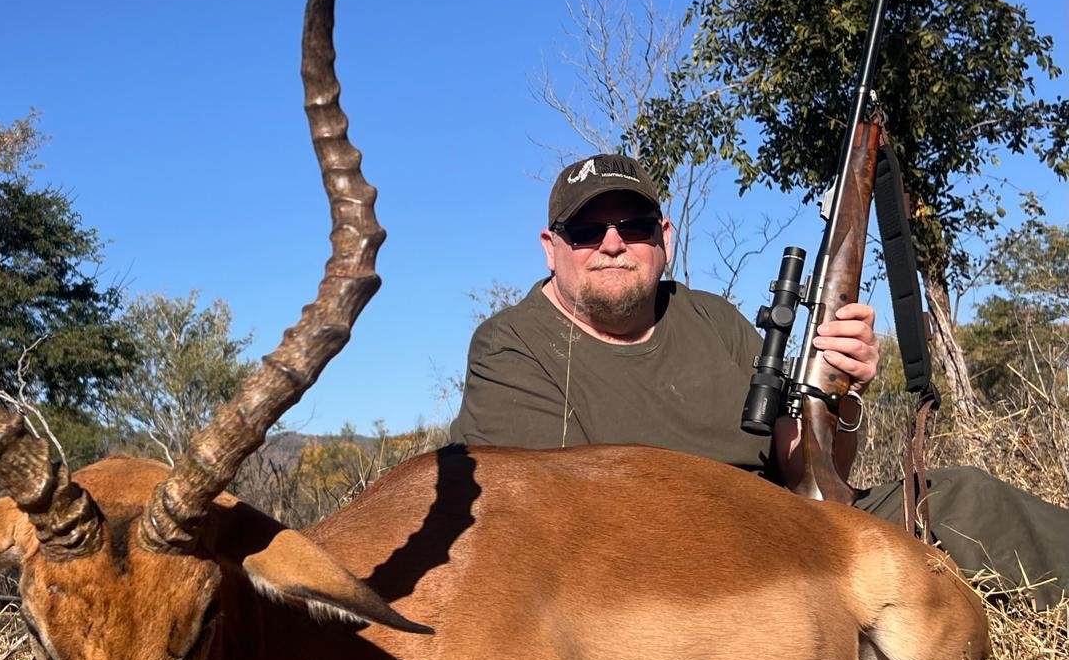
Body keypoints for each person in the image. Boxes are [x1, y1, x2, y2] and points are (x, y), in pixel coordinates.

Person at [450, 153, 1068, 607]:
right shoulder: (511, 347)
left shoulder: (711, 319)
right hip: (649, 584)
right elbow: (536, 534)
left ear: (664, 239)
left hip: (789, 537)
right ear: (550, 246)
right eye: (586, 231)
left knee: (963, 496)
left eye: (634, 226)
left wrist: (841, 391)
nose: (613, 244)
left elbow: (811, 470)